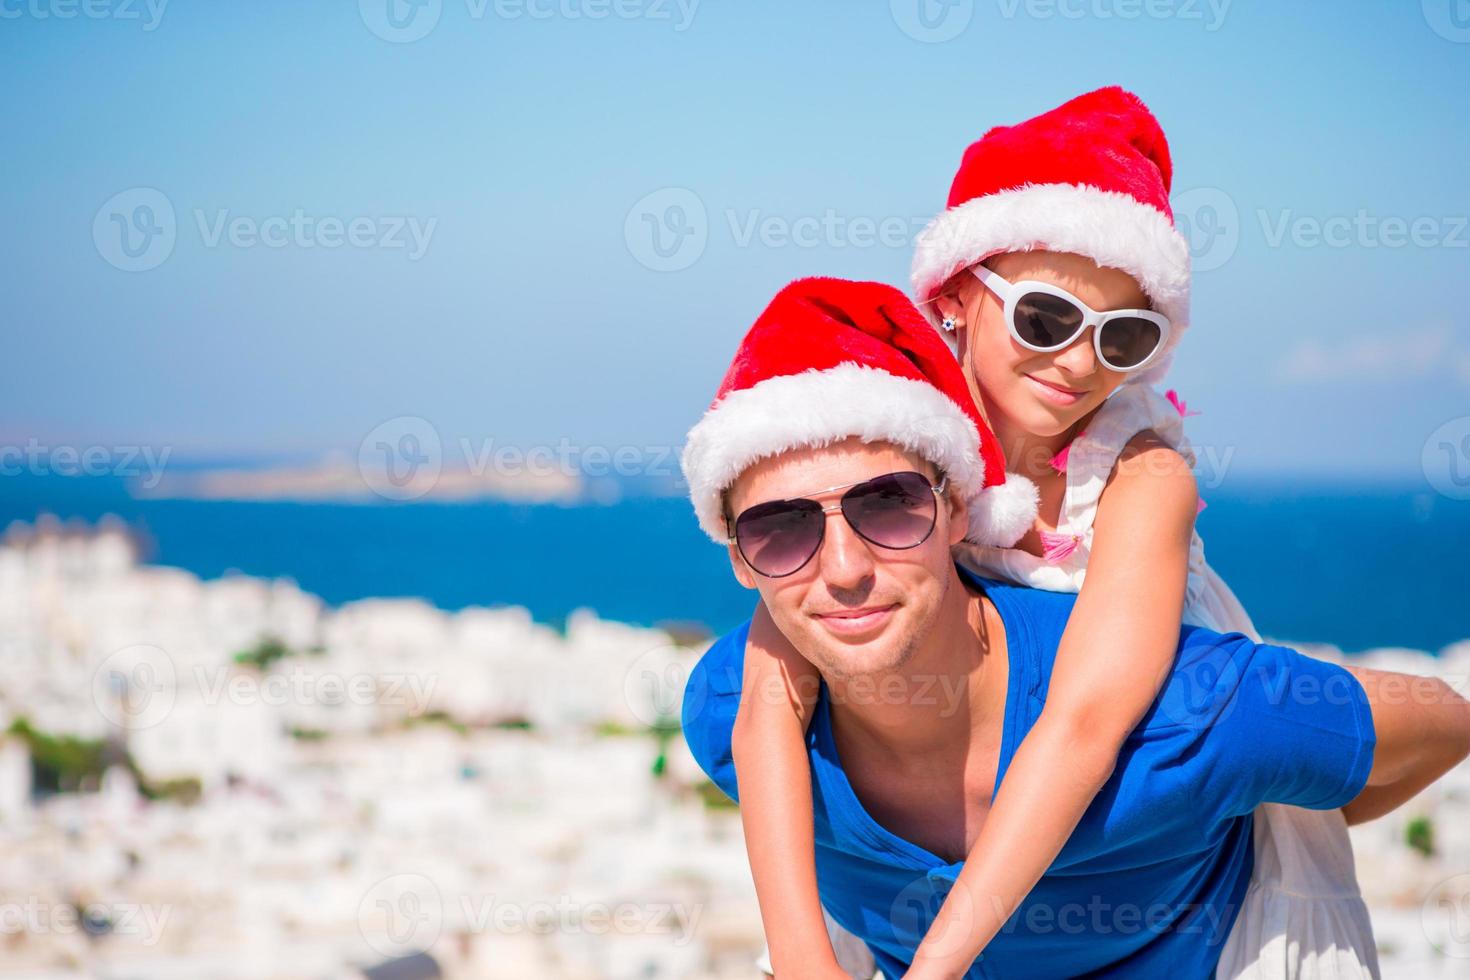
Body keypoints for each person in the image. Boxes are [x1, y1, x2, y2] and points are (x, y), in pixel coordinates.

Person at [726, 87, 1380, 978]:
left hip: (1124, 769)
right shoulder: (897, 439)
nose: (1079, 362)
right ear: (957, 293)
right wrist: (802, 957)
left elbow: (1082, 725)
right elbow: (769, 694)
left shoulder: (1143, 477)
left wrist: (936, 967)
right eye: (1047, 317)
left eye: (1124, 337)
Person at [678, 276, 1470, 978]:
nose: (844, 567)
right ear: (741, 564)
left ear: (958, 509)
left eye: (889, 503)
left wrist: (1269, 804)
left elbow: (1445, 720)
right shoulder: (732, 717)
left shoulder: (1194, 720)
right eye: (780, 529)